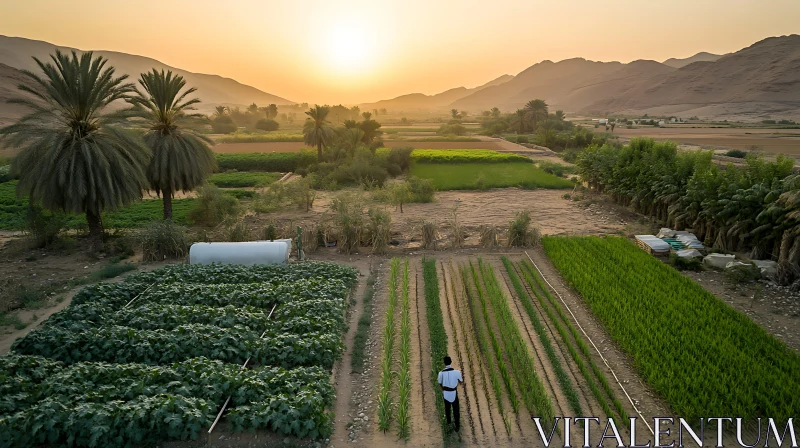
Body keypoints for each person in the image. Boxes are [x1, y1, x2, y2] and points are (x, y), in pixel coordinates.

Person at [437, 355, 463, 432]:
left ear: (444, 363)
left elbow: (440, 383)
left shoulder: (441, 373)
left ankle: (448, 422)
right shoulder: (457, 372)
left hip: (446, 393)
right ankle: (457, 425)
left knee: (447, 408)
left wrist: (443, 390)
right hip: (454, 392)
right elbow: (461, 382)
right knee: (456, 409)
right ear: (451, 362)